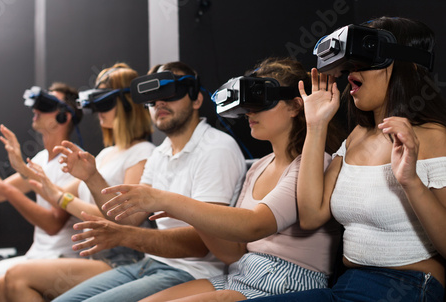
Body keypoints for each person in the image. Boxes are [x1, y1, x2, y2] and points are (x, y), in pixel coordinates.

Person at [97, 57, 342, 301]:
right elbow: (232, 253)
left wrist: (170, 201)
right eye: (248, 103)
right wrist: (187, 212)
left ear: (295, 106)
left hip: (286, 282)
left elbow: (255, 224)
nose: (250, 111)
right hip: (242, 272)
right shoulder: (258, 167)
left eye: (260, 102)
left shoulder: (313, 163)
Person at [247, 17, 446, 302]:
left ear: (407, 65)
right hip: (347, 284)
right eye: (350, 65)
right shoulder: (355, 137)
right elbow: (312, 214)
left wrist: (411, 181)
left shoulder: (434, 137)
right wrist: (316, 125)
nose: (351, 72)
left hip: (408, 286)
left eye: (364, 62)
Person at [53, 61, 247, 302]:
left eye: (169, 92)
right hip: (149, 264)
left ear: (196, 99)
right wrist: (92, 177)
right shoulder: (160, 152)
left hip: (192, 272)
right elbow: (129, 216)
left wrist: (123, 236)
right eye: (152, 97)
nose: (159, 103)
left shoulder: (216, 149)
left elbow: (199, 245)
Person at [0, 63, 155, 302]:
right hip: (94, 259)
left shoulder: (143, 152)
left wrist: (66, 195)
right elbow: (59, 194)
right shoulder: (106, 154)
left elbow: (124, 221)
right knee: (3, 287)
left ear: (126, 105)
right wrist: (24, 171)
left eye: (104, 103)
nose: (98, 111)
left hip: (122, 261)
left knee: (16, 278)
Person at [0, 82, 83, 302]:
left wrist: (6, 190)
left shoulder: (73, 162)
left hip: (60, 259)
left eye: (45, 105)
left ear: (64, 117)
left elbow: (52, 224)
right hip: (36, 255)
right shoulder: (41, 159)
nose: (36, 110)